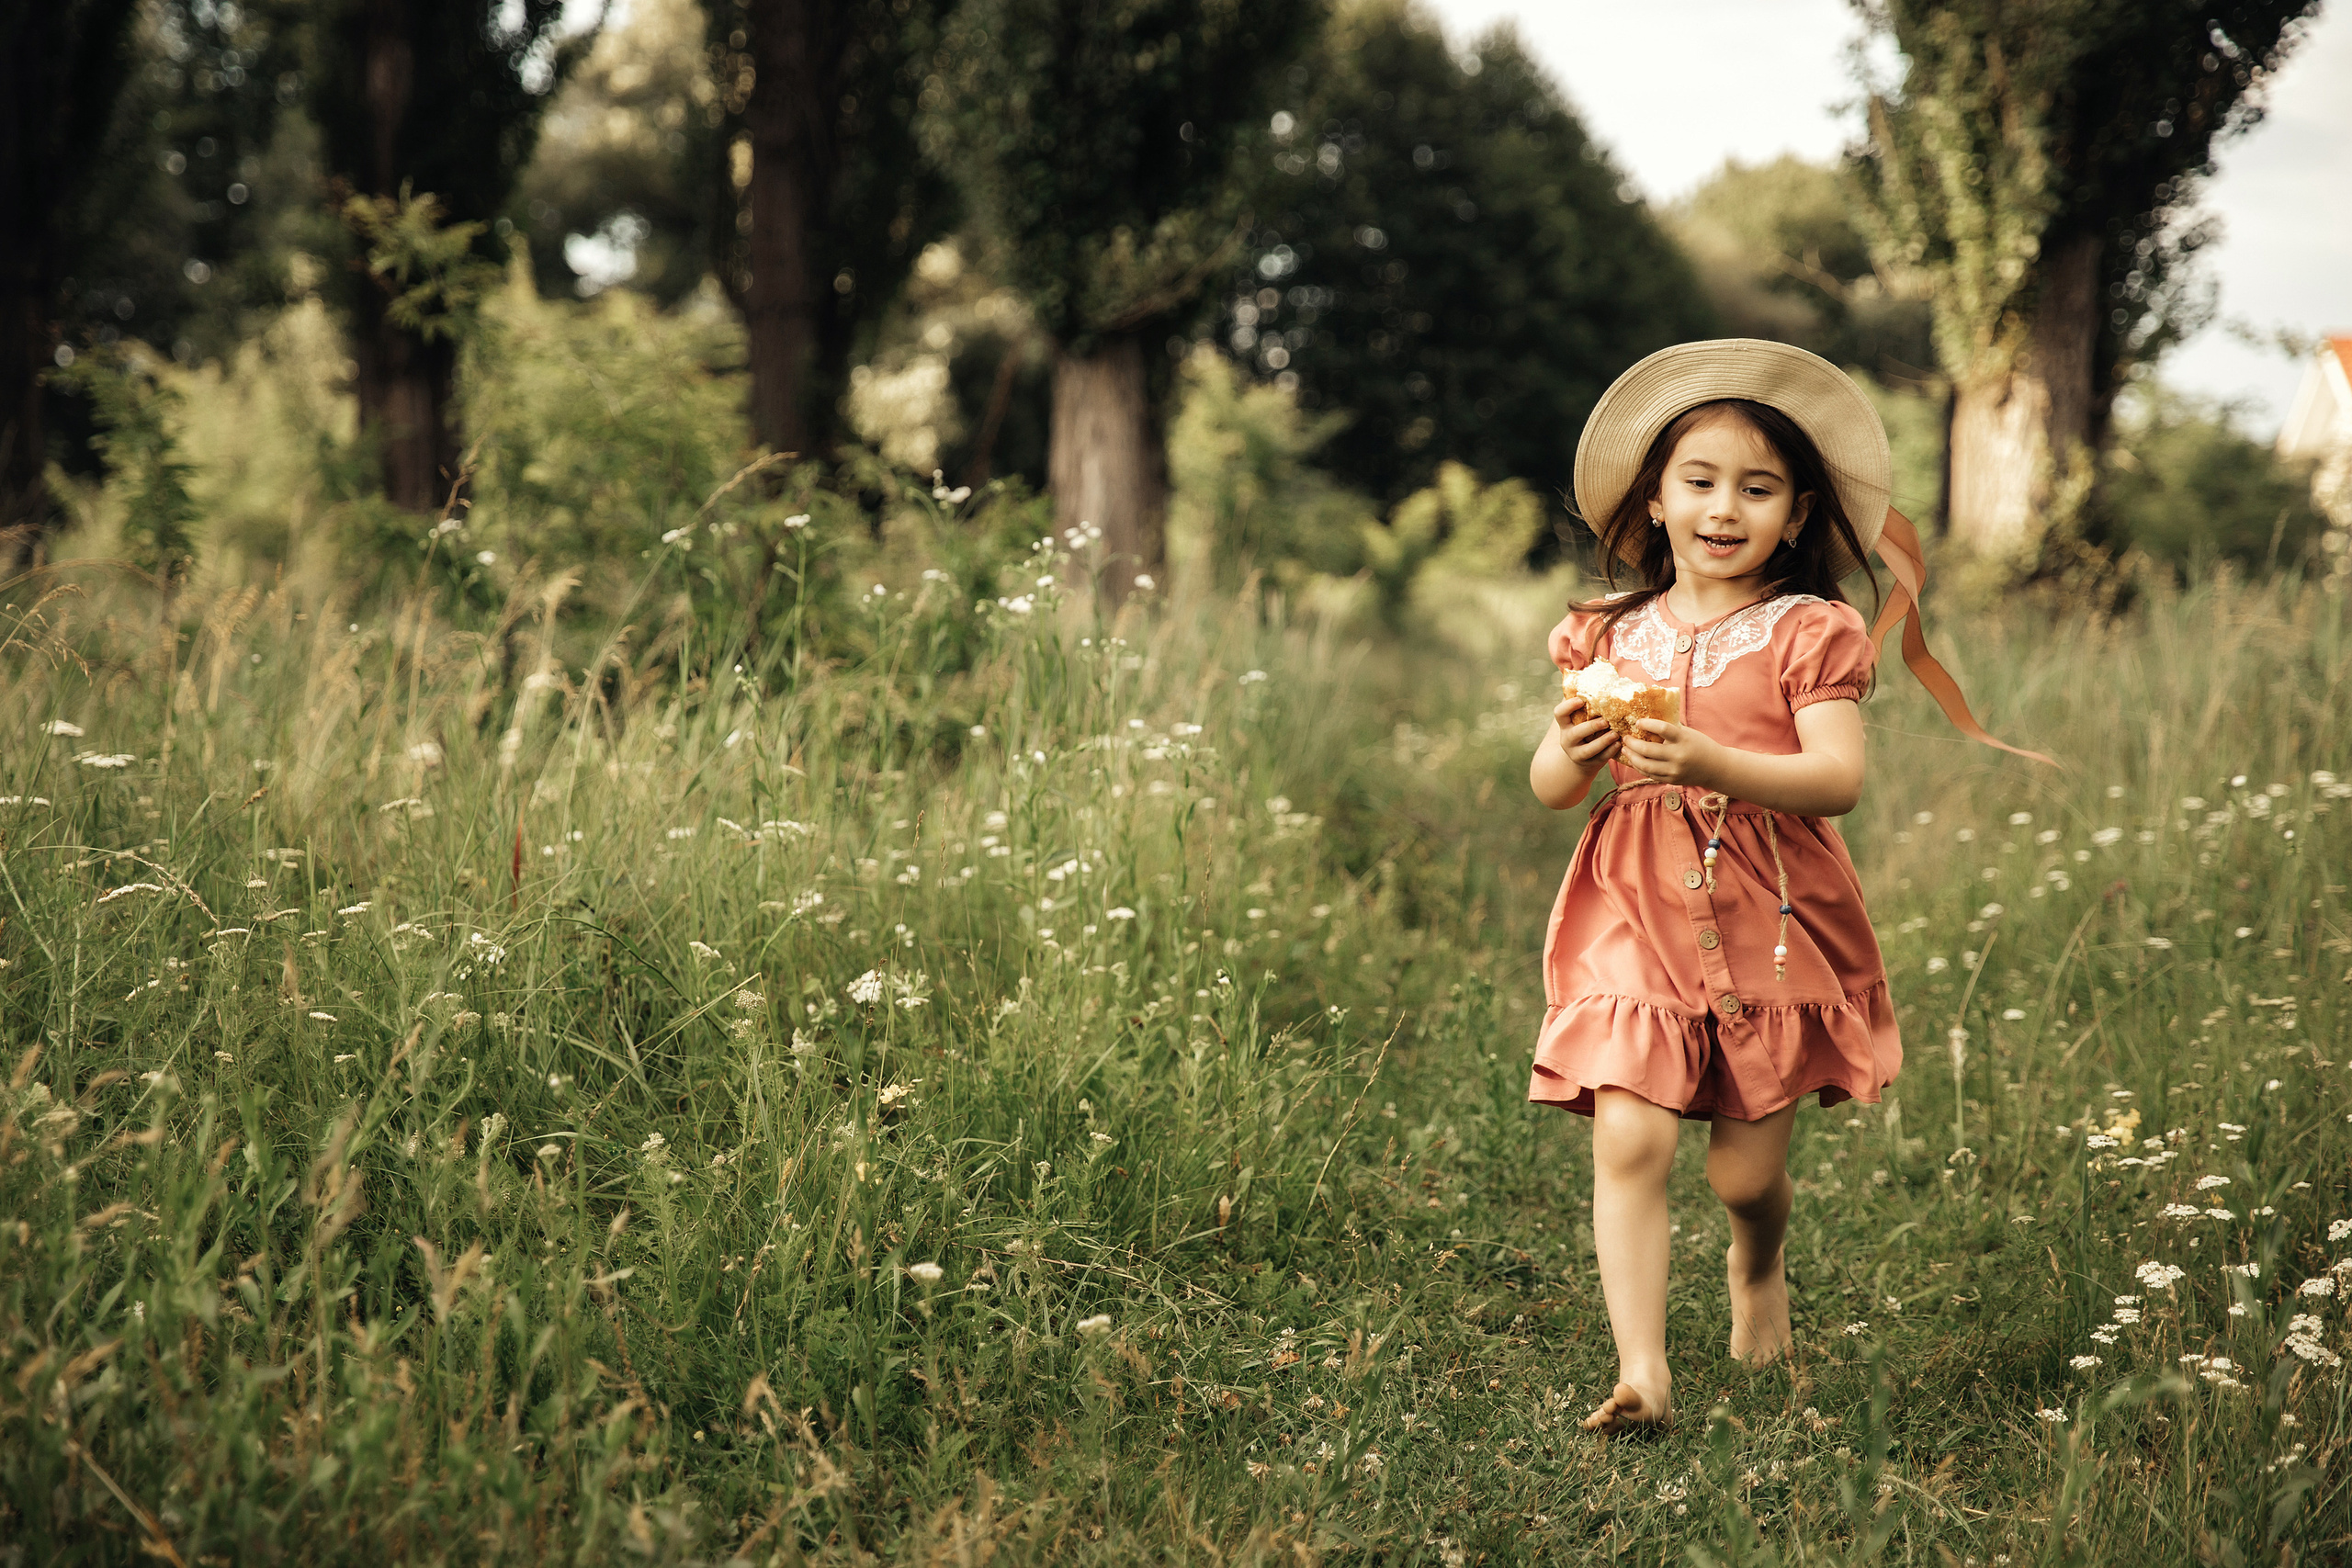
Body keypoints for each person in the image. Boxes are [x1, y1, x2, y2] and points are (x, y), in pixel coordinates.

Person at [1526, 339, 2046, 1436]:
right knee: (1630, 1137)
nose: (1724, 508)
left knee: (1741, 1175)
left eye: (1756, 489)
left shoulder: (1810, 631)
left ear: (1797, 513)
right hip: (1634, 909)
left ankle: (1756, 1264)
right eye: (1699, 482)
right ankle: (1642, 1374)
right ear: (1655, 501)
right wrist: (1571, 749)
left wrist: (1713, 762)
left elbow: (1835, 780)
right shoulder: (1606, 632)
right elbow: (1550, 787)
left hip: (1768, 913)